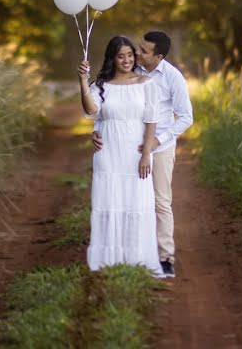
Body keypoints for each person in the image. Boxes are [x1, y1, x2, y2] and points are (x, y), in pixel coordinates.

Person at [80, 31, 193, 279]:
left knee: (159, 201)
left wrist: (154, 143)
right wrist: (97, 130)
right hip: (126, 146)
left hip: (160, 145)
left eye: (142, 51)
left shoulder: (172, 77)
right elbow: (105, 111)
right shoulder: (132, 72)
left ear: (158, 56)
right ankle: (118, 250)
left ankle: (164, 257)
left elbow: (185, 117)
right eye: (136, 49)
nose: (137, 54)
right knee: (123, 197)